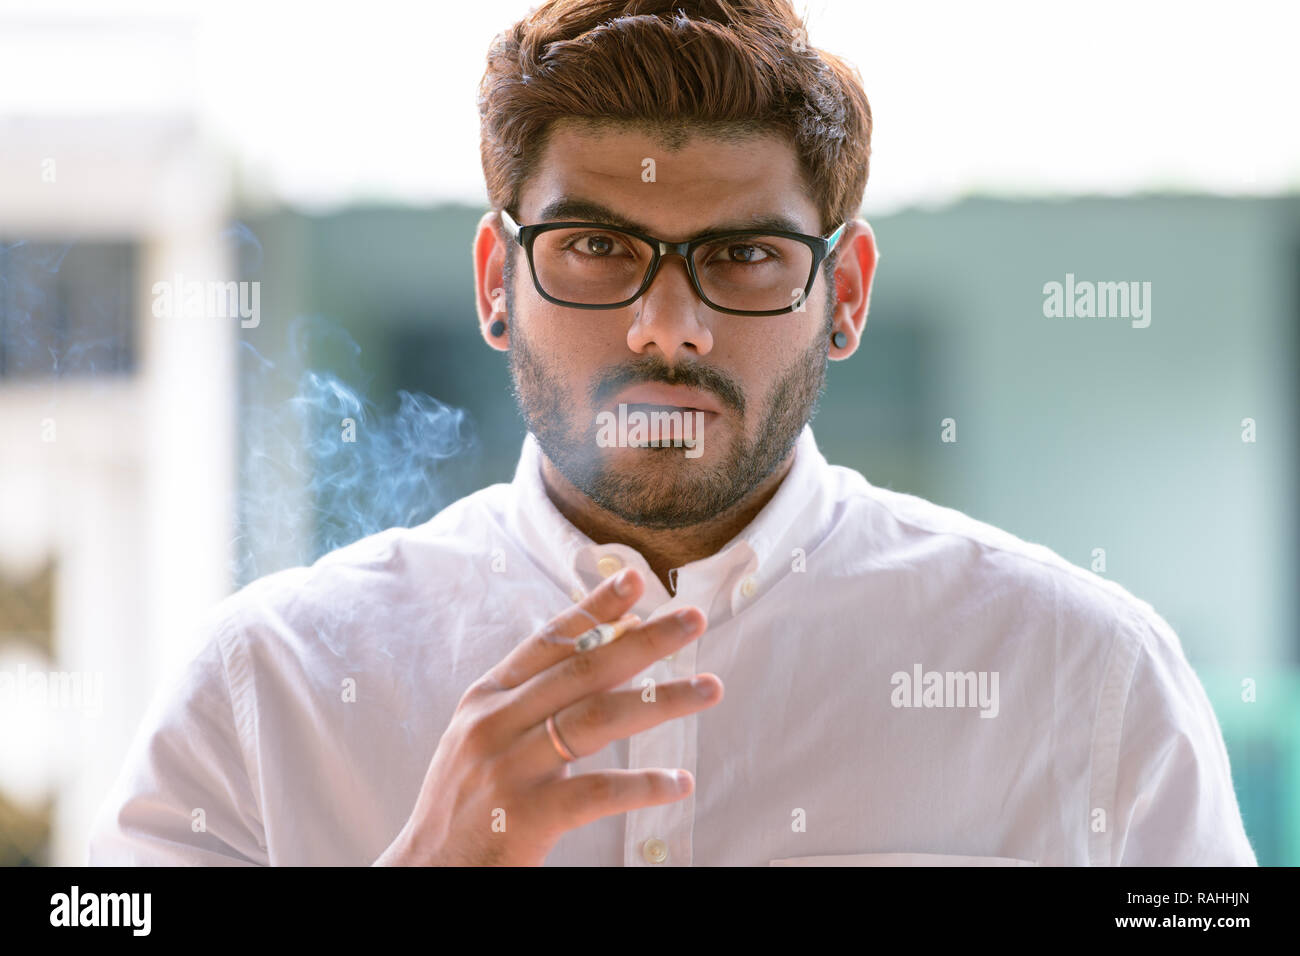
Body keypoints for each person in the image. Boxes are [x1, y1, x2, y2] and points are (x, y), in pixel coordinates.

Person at [88, 0, 1256, 866]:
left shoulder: (1088, 681)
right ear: (498, 278)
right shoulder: (264, 692)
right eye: (597, 246)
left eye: (743, 255)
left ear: (842, 294)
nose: (667, 327)